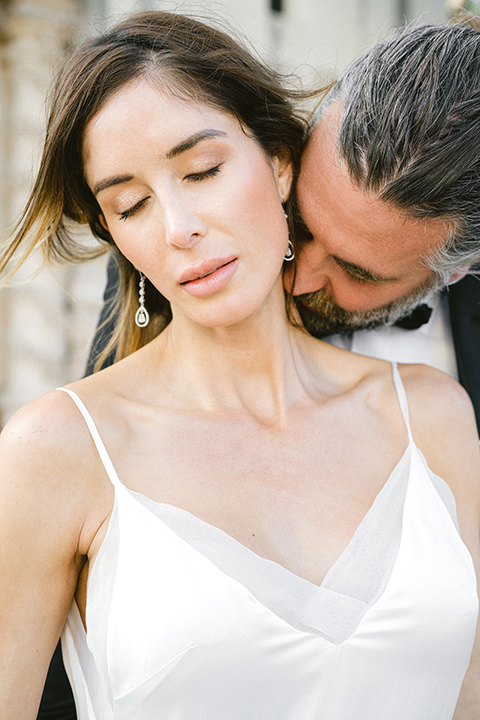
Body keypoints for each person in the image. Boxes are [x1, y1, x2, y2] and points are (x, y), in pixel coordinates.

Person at [1, 11, 479, 720]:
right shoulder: (57, 450)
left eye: (204, 171)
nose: (177, 227)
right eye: (130, 206)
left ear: (278, 163)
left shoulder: (435, 415)